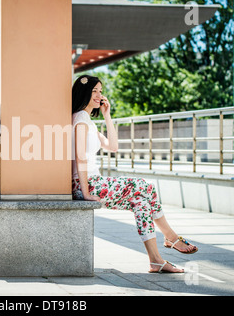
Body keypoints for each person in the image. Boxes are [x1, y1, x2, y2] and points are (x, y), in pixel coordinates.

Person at [71, 75, 198, 273]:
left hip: (93, 182)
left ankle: (155, 260)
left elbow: (112, 146)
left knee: (142, 203)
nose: (99, 95)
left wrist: (107, 115)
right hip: (85, 183)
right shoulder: (80, 119)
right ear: (83, 93)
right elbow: (80, 156)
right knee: (144, 186)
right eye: (94, 91)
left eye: (100, 91)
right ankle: (171, 237)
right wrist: (86, 193)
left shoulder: (88, 121)